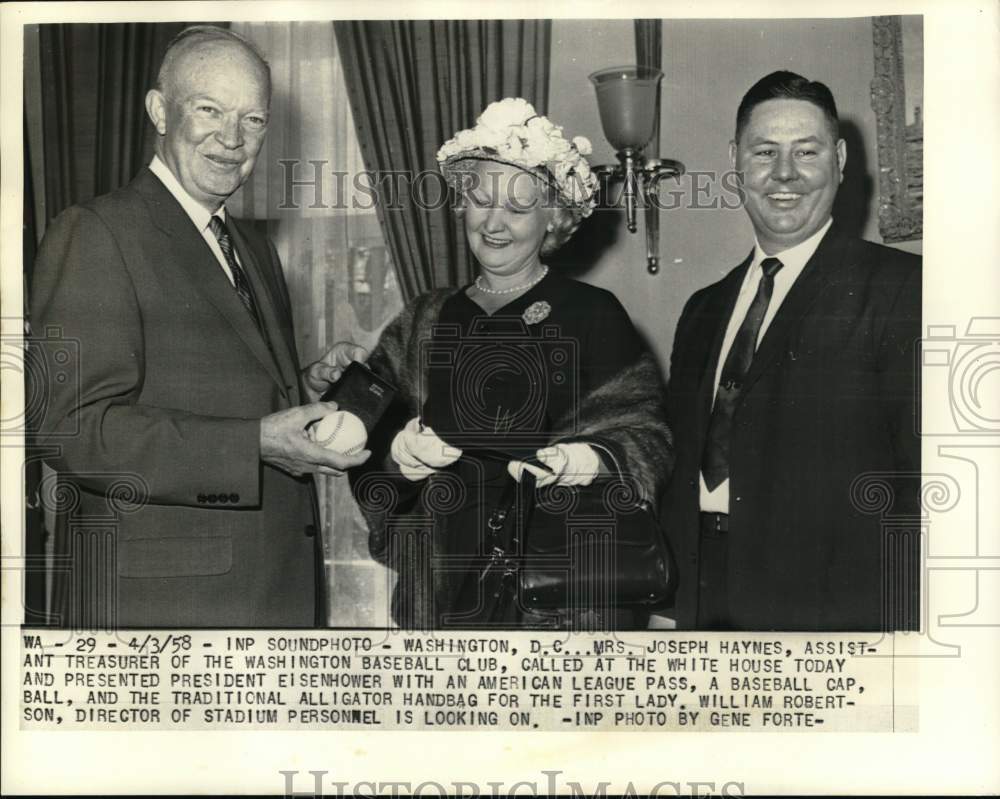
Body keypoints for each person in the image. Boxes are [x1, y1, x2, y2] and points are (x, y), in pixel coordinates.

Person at [30, 26, 370, 628]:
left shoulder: (253, 248)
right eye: (209, 109)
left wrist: (305, 387)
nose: (232, 139)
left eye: (253, 120)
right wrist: (253, 443)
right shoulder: (96, 232)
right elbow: (71, 429)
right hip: (163, 609)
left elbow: (219, 391)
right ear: (160, 111)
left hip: (271, 590)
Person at [352, 98, 673, 630]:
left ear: (554, 219)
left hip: (559, 591)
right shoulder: (424, 318)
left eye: (519, 209)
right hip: (439, 592)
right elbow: (363, 431)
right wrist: (398, 458)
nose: (494, 223)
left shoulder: (592, 313)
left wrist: (588, 460)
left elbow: (648, 438)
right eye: (481, 200)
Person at [661, 71, 921, 631]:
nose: (784, 173)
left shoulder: (904, 289)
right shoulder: (702, 309)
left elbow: (922, 486)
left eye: (806, 151)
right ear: (735, 161)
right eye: (764, 152)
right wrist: (668, 603)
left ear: (840, 159)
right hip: (702, 601)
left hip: (834, 610)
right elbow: (679, 472)